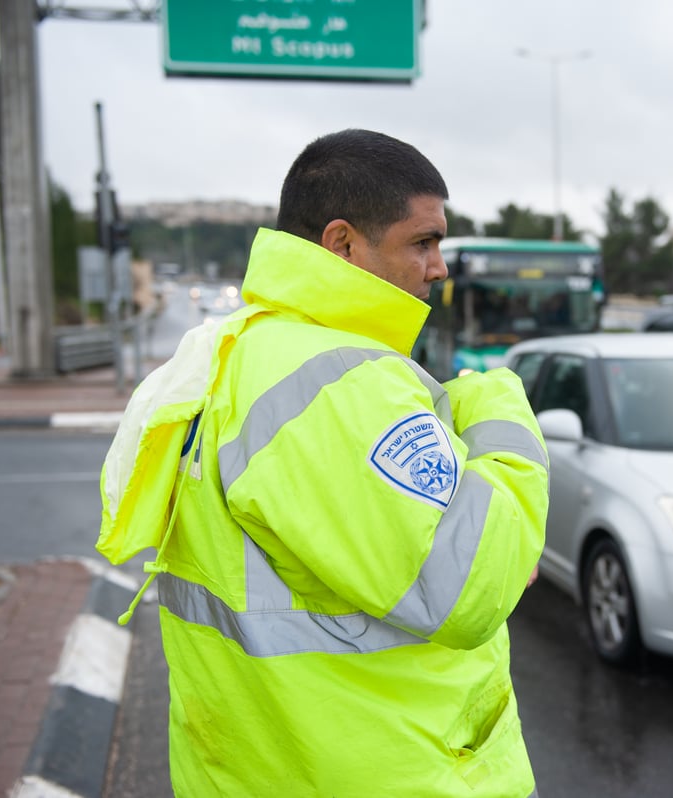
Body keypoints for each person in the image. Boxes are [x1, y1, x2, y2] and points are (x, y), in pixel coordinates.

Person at [98, 129, 549, 796]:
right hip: (387, 774)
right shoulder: (340, 382)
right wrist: (497, 403)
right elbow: (472, 588)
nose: (439, 267)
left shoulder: (239, 349)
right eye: (422, 241)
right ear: (342, 243)